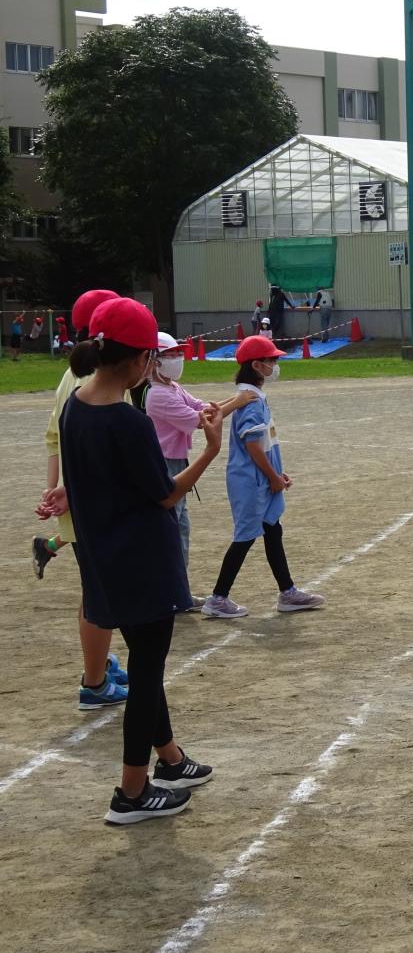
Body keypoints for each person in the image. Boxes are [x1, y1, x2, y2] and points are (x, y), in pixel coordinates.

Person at [40, 297, 223, 823]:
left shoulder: (76, 402)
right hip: (141, 559)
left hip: (103, 555)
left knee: (146, 663)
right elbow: (164, 495)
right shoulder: (127, 420)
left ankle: (170, 761)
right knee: (147, 672)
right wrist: (209, 451)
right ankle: (132, 792)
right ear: (140, 359)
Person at [34, 288, 130, 711]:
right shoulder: (93, 382)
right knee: (99, 597)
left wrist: (54, 486)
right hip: (90, 503)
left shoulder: (73, 376)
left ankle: (99, 665)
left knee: (94, 592)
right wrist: (67, 489)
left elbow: (54, 436)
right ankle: (93, 685)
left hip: (78, 498)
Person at [203, 335, 325, 619]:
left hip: (262, 478)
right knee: (245, 537)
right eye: (272, 360)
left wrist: (276, 473)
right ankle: (217, 598)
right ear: (257, 366)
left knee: (273, 530)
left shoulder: (252, 396)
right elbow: (252, 446)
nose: (277, 364)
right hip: (250, 482)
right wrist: (272, 476)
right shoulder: (250, 401)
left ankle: (288, 592)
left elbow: (263, 444)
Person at [146, 333, 252, 611]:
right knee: (170, 531)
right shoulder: (157, 395)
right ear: (154, 361)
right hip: (167, 466)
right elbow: (201, 420)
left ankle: (178, 592)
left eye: (177, 355)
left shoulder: (173, 387)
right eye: (169, 356)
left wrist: (234, 399)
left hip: (178, 463)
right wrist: (239, 401)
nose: (177, 360)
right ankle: (167, 594)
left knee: (181, 529)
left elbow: (205, 407)